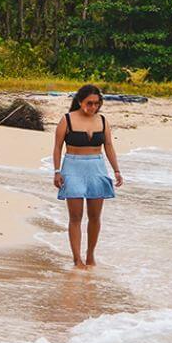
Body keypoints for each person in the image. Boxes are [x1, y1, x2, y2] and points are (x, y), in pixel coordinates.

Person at [52, 84, 123, 270]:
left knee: (95, 216)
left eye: (96, 104)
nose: (93, 107)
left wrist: (116, 170)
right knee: (75, 216)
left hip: (97, 167)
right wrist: (56, 171)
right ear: (80, 101)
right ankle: (77, 259)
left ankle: (90, 255)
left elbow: (108, 146)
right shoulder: (67, 120)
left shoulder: (103, 120)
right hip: (73, 167)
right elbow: (58, 147)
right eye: (89, 103)